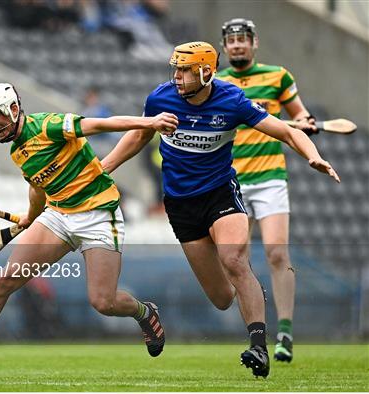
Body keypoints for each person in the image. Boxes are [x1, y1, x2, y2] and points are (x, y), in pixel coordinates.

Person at [101, 42, 339, 378]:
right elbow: (139, 137)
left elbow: (286, 130)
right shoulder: (160, 98)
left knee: (234, 260)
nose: (177, 77)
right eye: (176, 69)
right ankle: (248, 290)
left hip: (220, 195)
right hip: (181, 205)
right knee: (222, 298)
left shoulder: (232, 101)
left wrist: (312, 155)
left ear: (206, 72)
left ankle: (258, 345)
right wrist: (104, 167)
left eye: (185, 70)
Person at [0, 83, 178, 373]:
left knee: (104, 302)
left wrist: (151, 122)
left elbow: (100, 124)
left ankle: (145, 312)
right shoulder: (17, 152)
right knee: (6, 280)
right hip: (58, 214)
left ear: (14, 109)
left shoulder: (48, 126)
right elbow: (37, 188)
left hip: (98, 214)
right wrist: (30, 216)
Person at [216, 18, 318, 364]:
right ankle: (254, 329)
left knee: (277, 252)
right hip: (233, 180)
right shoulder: (218, 83)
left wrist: (306, 122)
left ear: (254, 43)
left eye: (243, 39)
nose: (238, 45)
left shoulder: (278, 76)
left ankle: (285, 331)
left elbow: (300, 116)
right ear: (225, 47)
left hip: (271, 177)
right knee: (233, 258)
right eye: (231, 41)